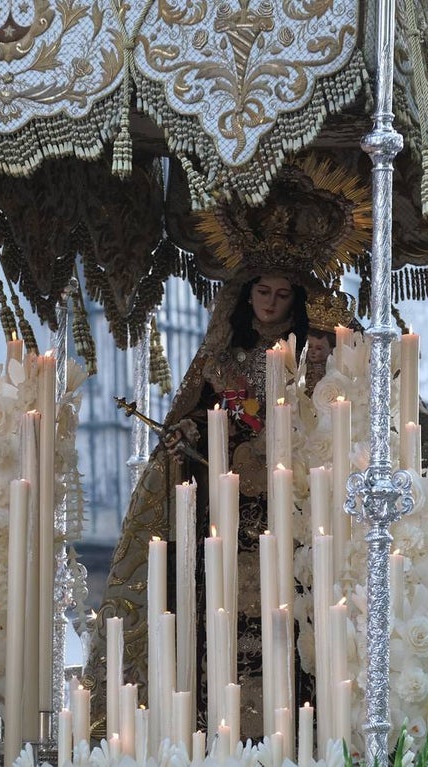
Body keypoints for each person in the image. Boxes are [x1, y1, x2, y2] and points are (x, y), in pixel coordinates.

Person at [86, 270, 320, 741]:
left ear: (295, 301)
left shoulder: (313, 355)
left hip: (291, 511)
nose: (269, 304)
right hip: (226, 517)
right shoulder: (221, 358)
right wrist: (188, 433)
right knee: (217, 621)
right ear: (246, 295)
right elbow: (196, 412)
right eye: (261, 292)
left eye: (280, 295)